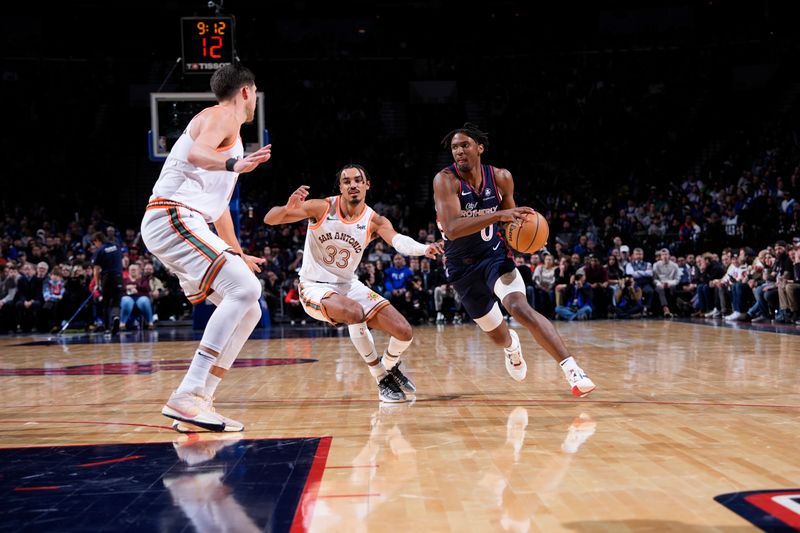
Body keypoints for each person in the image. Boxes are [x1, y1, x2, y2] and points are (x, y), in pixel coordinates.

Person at [140, 63, 273, 433]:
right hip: (173, 215)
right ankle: (186, 395)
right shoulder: (221, 116)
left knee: (249, 310)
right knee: (246, 289)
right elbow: (198, 154)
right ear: (246, 92)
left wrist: (237, 252)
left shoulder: (231, 133)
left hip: (187, 221)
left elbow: (219, 211)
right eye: (254, 92)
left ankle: (199, 400)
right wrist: (235, 163)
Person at [432, 123, 595, 397]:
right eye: (455, 148)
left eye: (465, 145)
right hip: (461, 268)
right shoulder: (445, 180)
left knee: (519, 307)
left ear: (480, 148)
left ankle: (573, 371)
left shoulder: (501, 178)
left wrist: (528, 237)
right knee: (498, 336)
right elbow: (451, 227)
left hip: (494, 256)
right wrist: (497, 216)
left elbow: (513, 221)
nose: (459, 151)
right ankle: (512, 347)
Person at [264, 163, 443, 403]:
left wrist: (425, 248)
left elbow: (398, 241)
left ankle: (389, 366)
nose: (353, 185)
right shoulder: (322, 207)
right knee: (354, 312)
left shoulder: (374, 220)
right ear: (340, 187)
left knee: (404, 332)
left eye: (358, 180)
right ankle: (381, 379)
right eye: (347, 181)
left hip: (348, 285)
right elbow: (270, 219)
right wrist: (286, 208)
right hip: (314, 287)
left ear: (367, 185)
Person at [91, 231, 123, 334]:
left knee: (106, 303)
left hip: (107, 278)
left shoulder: (100, 250)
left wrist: (97, 283)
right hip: (118, 277)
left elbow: (96, 269)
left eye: (94, 243)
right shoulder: (116, 246)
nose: (95, 245)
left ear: (97, 240)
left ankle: (107, 328)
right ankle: (116, 317)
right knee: (116, 302)